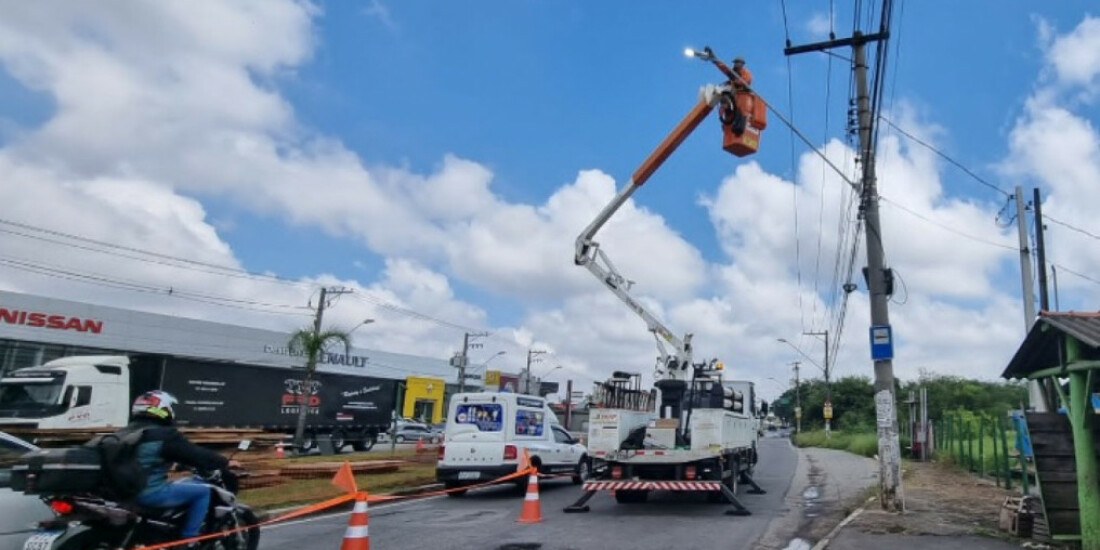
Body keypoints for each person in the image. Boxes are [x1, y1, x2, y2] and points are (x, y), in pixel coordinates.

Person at [129, 390, 240, 541]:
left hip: (123, 491)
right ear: (163, 409)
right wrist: (224, 462)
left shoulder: (130, 432)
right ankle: (189, 540)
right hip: (148, 492)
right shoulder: (163, 435)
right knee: (203, 492)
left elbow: (150, 458)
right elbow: (194, 454)